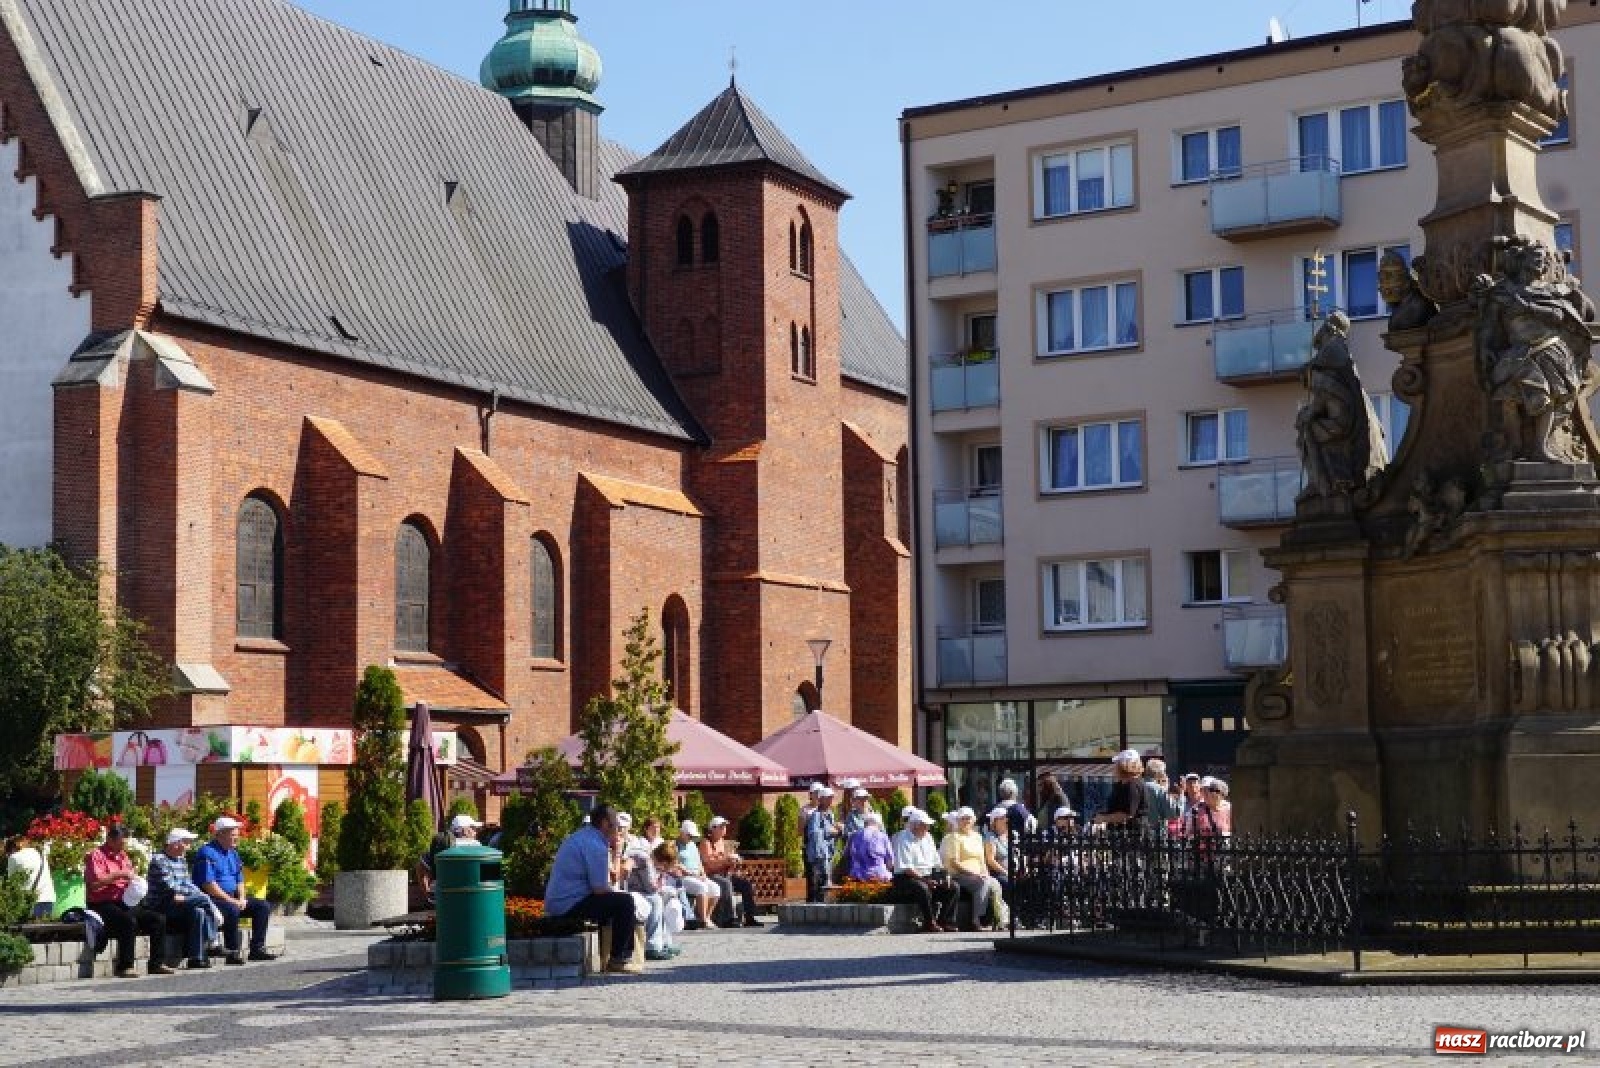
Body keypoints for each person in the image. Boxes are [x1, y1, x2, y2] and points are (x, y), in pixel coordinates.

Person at [544, 804, 643, 975]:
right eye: (616, 826)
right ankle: (618, 959)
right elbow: (600, 889)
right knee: (625, 903)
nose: (619, 831)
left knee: (618, 902)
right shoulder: (595, 845)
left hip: (561, 901)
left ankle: (614, 955)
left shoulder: (583, 836)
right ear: (605, 824)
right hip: (568, 905)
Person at [86, 823, 170, 977]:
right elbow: (94, 885)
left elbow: (129, 876)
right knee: (128, 921)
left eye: (124, 843)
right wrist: (117, 875)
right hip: (101, 903)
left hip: (123, 900)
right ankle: (125, 966)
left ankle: (156, 964)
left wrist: (136, 883)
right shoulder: (96, 856)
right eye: (120, 842)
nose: (122, 846)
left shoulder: (123, 856)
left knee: (158, 919)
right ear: (110, 839)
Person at [192, 817, 276, 964]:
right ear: (219, 835)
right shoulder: (207, 853)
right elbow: (208, 885)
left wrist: (242, 898)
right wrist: (233, 901)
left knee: (262, 906)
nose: (236, 837)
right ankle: (233, 952)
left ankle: (257, 949)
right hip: (212, 899)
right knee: (232, 910)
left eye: (237, 834)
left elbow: (239, 878)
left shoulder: (232, 853)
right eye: (232, 834)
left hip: (232, 897)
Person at [144, 829, 217, 970]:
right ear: (176, 844)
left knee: (199, 912)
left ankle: (196, 958)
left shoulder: (181, 860)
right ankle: (213, 941)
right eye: (187, 843)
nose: (189, 847)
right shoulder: (159, 860)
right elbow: (170, 886)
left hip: (180, 901)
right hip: (162, 904)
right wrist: (189, 894)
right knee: (204, 898)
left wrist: (186, 896)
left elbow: (187, 884)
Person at [885, 808, 957, 933]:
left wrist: (944, 876)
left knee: (953, 887)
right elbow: (907, 868)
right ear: (915, 826)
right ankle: (929, 923)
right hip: (906, 878)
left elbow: (936, 862)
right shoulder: (903, 838)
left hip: (927, 875)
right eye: (925, 825)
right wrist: (926, 880)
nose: (927, 829)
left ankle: (945, 921)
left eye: (928, 826)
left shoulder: (928, 837)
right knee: (922, 887)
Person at [701, 816, 763, 927]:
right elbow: (708, 864)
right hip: (711, 875)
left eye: (724, 826)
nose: (724, 829)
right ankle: (729, 918)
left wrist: (733, 863)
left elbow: (726, 862)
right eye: (721, 827)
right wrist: (726, 860)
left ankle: (750, 917)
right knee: (726, 884)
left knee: (746, 885)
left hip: (725, 874)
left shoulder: (723, 842)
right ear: (713, 828)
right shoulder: (706, 843)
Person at [939, 807, 993, 931]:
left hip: (977, 873)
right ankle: (976, 920)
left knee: (994, 883)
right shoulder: (954, 837)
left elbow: (982, 860)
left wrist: (985, 872)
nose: (966, 821)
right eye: (963, 818)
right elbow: (954, 862)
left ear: (973, 820)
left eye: (968, 818)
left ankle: (997, 920)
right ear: (958, 821)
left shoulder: (978, 837)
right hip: (959, 874)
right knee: (982, 883)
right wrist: (974, 873)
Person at [673, 820, 720, 929]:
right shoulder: (675, 845)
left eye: (692, 836)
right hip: (684, 877)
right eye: (689, 835)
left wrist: (703, 873)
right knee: (702, 887)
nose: (691, 837)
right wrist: (690, 873)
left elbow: (699, 862)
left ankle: (707, 917)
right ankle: (702, 920)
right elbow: (675, 863)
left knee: (716, 888)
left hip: (697, 875)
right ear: (682, 833)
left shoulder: (693, 845)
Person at [802, 788, 842, 903]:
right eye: (828, 798)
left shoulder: (830, 814)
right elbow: (814, 834)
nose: (831, 800)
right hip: (818, 855)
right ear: (821, 799)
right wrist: (830, 831)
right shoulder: (816, 815)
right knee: (819, 881)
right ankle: (817, 906)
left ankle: (824, 904)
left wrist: (838, 830)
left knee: (826, 881)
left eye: (831, 798)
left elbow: (832, 832)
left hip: (828, 854)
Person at [1091, 750, 1147, 831]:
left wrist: (1104, 818)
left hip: (1132, 834)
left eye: (1117, 764)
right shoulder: (1120, 784)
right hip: (1118, 833)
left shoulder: (1133, 785)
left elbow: (1127, 814)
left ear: (1124, 766)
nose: (1114, 767)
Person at [4, 833, 54, 920]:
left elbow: (12, 883)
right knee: (45, 930)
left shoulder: (14, 857)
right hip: (48, 897)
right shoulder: (40, 853)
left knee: (28, 931)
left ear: (12, 848)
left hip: (29, 901)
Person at [843, 810, 894, 882]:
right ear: (878, 824)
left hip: (856, 877)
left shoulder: (853, 835)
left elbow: (846, 856)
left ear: (865, 823)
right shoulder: (883, 836)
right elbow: (890, 861)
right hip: (879, 877)